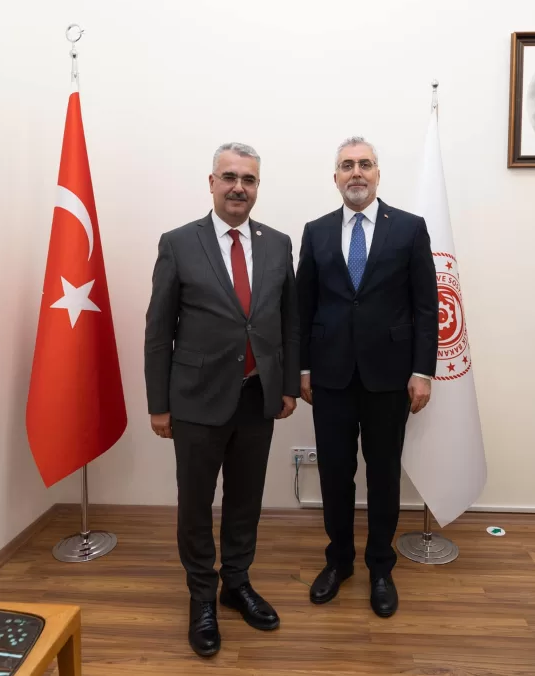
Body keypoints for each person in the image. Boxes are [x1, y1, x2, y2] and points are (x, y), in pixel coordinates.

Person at [144, 142, 299, 657]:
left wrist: (286, 385)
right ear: (211, 182)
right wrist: (158, 404)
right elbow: (158, 331)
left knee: (245, 498)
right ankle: (201, 596)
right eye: (229, 177)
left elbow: (288, 322)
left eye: (248, 179)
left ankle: (236, 582)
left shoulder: (278, 244)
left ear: (258, 187)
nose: (238, 187)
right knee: (195, 503)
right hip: (195, 399)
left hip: (257, 396)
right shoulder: (178, 243)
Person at [296, 136, 438, 618]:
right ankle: (338, 562)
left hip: (390, 376)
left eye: (364, 164)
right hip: (330, 376)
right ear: (335, 177)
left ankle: (380, 567)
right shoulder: (316, 231)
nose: (355, 172)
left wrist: (422, 371)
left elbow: (426, 306)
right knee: (335, 476)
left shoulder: (410, 228)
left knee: (383, 476)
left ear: (378, 174)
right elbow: (304, 306)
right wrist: (303, 368)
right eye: (346, 165)